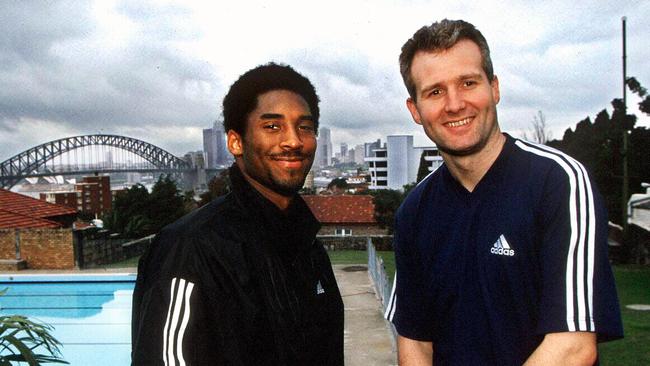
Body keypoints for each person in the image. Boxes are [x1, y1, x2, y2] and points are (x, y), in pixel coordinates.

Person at [384, 19, 623, 365]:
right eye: (435, 92)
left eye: (468, 83)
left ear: (494, 88)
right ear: (415, 110)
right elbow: (416, 346)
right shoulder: (413, 213)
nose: (454, 104)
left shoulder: (558, 182)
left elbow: (573, 347)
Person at [132, 63, 344, 365]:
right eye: (272, 126)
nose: (293, 141)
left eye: (304, 127)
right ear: (235, 142)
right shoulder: (190, 249)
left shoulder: (308, 247)